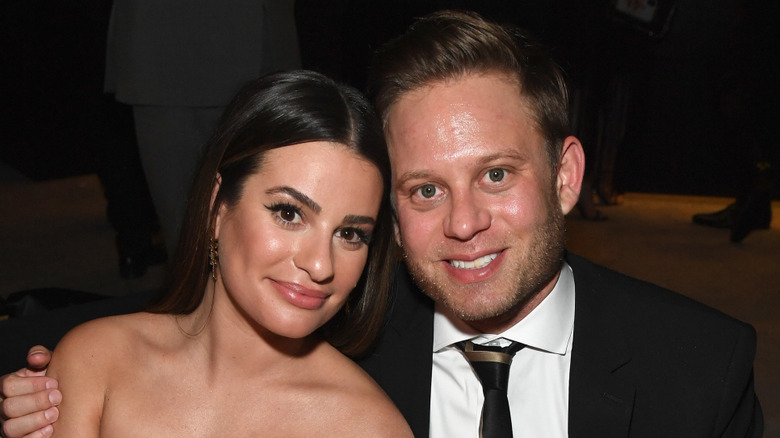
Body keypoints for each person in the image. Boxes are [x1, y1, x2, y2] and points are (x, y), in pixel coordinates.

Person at [1, 10, 763, 438]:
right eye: (424, 190)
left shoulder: (698, 374)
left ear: (567, 177)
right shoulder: (337, 331)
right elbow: (182, 332)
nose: (464, 224)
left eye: (496, 175)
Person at [0, 70, 412, 437]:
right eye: (289, 213)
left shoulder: (366, 426)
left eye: (350, 233)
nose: (321, 265)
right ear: (218, 207)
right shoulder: (96, 361)